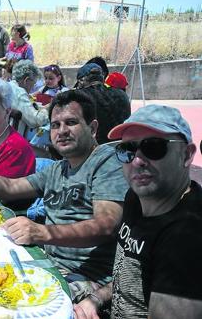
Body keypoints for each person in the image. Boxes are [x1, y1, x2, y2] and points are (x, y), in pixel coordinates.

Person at [0, 90, 129, 303]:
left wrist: (42, 232)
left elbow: (105, 226)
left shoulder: (106, 162)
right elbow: (9, 186)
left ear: (92, 128)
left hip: (86, 278)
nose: (61, 131)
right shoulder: (58, 169)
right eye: (55, 125)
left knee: (4, 300)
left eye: (71, 122)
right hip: (48, 263)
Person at [74, 105, 202, 319]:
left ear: (186, 155)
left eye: (154, 147)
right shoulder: (136, 197)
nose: (137, 161)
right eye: (128, 150)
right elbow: (131, 274)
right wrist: (96, 298)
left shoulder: (188, 237)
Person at [75, 62, 131, 145]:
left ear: (81, 81)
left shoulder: (79, 97)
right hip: (122, 147)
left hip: (96, 150)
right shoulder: (122, 94)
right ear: (102, 78)